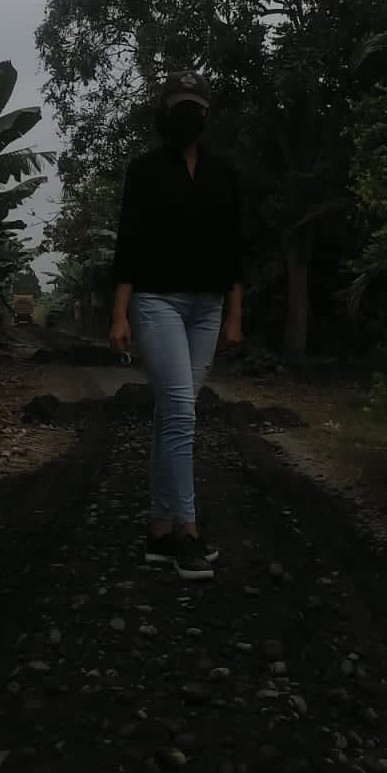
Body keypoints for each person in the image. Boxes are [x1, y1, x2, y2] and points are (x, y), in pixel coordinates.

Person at [109, 69, 243, 580]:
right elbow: (129, 245)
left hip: (208, 308)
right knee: (183, 413)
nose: (189, 114)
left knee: (172, 414)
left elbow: (233, 250)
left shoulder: (222, 174)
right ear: (164, 112)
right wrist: (119, 313)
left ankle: (160, 530)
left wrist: (235, 315)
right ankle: (188, 531)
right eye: (180, 105)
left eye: (197, 106)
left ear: (207, 115)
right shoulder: (144, 171)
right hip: (156, 302)